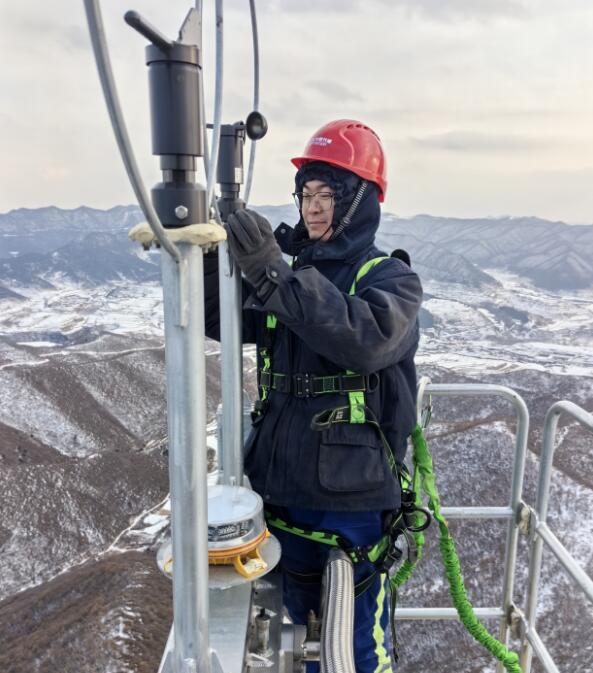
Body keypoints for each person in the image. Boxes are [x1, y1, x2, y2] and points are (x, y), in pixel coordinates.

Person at [205, 119, 422, 673]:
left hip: (351, 507)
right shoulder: (290, 275)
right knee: (293, 637)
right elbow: (218, 320)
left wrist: (273, 276)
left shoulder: (388, 279)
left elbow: (365, 338)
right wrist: (211, 257)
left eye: (329, 194)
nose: (314, 207)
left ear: (360, 201)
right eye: (307, 194)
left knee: (358, 650)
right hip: (280, 496)